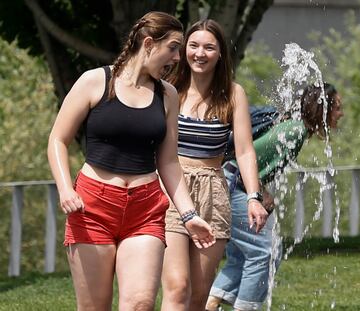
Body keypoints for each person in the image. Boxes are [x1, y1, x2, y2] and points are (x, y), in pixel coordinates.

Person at [47, 11, 216, 311]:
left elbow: (169, 162)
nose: (178, 57)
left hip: (145, 208)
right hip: (93, 207)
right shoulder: (95, 81)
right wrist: (65, 189)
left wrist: (189, 216)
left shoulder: (167, 95)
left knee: (140, 304)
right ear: (149, 43)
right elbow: (58, 139)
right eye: (174, 47)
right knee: (94, 307)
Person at [206, 82, 344, 311]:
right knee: (265, 251)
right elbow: (244, 163)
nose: (341, 113)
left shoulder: (295, 128)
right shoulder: (294, 130)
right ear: (323, 109)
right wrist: (261, 194)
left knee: (243, 255)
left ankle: (210, 304)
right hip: (232, 185)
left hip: (228, 184)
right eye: (337, 107)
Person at [161, 19, 268, 311]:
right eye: (193, 45)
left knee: (198, 295)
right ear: (184, 50)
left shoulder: (233, 94)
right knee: (177, 287)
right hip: (172, 190)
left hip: (214, 191)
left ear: (220, 53)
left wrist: (253, 197)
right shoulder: (169, 89)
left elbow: (245, 151)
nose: (200, 53)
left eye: (209, 47)